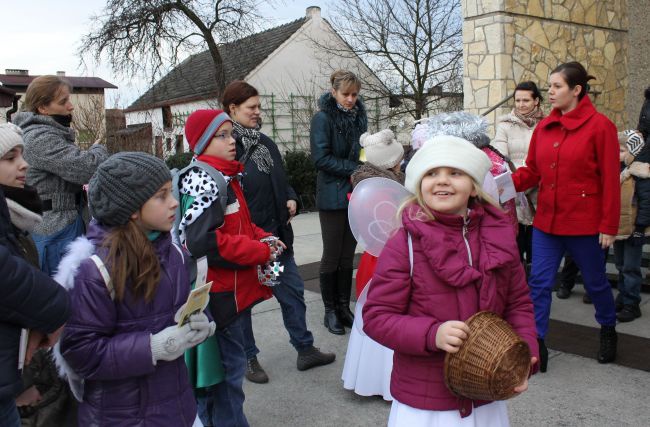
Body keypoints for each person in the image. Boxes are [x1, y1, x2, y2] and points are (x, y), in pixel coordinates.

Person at [363, 135, 538, 426]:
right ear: (419, 185)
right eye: (431, 173)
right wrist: (433, 334)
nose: (442, 181)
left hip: (486, 394)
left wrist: (525, 355)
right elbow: (377, 317)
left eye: (455, 172)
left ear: (473, 186)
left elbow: (518, 303)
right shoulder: (404, 244)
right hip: (427, 403)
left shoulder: (499, 237)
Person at [58, 152, 214, 425]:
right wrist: (153, 347)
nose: (174, 202)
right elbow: (80, 353)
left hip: (179, 409)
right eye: (161, 196)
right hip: (121, 416)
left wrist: (200, 324)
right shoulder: (94, 269)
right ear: (131, 208)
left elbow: (175, 316)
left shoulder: (173, 253)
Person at [221, 81, 335, 385]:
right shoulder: (228, 145)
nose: (258, 112)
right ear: (232, 109)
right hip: (246, 244)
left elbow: (279, 178)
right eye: (252, 108)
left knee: (292, 292)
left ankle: (305, 348)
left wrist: (291, 196)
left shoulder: (265, 142)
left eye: (259, 106)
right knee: (243, 304)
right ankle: (248, 357)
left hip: (274, 239)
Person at [511, 61, 620, 371]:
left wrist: (609, 225)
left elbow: (611, 181)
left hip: (585, 224)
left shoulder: (601, 127)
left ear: (576, 90)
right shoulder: (544, 127)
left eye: (556, 86)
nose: (550, 92)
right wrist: (495, 186)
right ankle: (537, 345)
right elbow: (531, 172)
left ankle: (608, 329)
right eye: (549, 86)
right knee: (540, 283)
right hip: (547, 222)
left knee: (597, 283)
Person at [179, 109, 279, 427]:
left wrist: (265, 237)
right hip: (219, 299)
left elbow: (238, 228)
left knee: (225, 379)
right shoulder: (203, 179)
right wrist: (258, 251)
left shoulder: (226, 176)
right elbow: (202, 241)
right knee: (225, 381)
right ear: (203, 141)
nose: (231, 140)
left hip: (233, 296)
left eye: (230, 133)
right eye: (221, 135)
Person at [0, 123, 76, 426]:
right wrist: (57, 308)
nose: (24, 164)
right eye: (9, 158)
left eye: (21, 155)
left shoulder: (14, 220)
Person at [12, 75, 109, 276]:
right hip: (55, 231)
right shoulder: (40, 138)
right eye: (63, 101)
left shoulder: (50, 132)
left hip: (63, 224)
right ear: (42, 108)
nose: (71, 106)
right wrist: (99, 149)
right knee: (65, 295)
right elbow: (87, 168)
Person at [341, 128, 404, 401]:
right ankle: (385, 381)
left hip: (372, 260)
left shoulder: (366, 185)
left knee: (373, 315)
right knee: (389, 315)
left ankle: (367, 376)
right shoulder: (385, 191)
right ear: (392, 162)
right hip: (389, 261)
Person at [310, 69, 368, 335]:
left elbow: (363, 151)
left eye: (354, 95)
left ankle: (344, 307)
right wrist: (354, 168)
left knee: (348, 256)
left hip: (354, 193)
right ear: (333, 92)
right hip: (333, 195)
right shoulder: (322, 119)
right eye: (345, 94)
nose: (350, 100)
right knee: (332, 255)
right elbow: (320, 159)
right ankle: (330, 311)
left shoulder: (359, 118)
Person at [492, 81, 546, 266]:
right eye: (518, 100)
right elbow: (500, 156)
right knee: (515, 237)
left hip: (538, 186)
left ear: (536, 101)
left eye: (526, 100)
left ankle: (535, 280)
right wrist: (518, 176)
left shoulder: (545, 124)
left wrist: (531, 174)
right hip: (514, 185)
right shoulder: (504, 125)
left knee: (536, 239)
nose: (521, 104)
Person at [613, 130, 648, 322]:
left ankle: (632, 303)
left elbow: (646, 201)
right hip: (618, 227)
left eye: (621, 150)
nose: (617, 154)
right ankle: (623, 294)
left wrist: (641, 227)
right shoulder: (617, 171)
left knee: (630, 267)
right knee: (620, 264)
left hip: (634, 228)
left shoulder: (640, 172)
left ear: (633, 151)